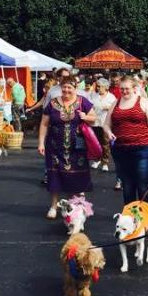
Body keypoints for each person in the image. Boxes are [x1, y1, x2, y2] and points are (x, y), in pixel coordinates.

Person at [37, 77, 96, 219]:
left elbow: (94, 118)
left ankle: (74, 206)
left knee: (76, 175)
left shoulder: (83, 102)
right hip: (55, 146)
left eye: (69, 87)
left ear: (75, 88)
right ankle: (53, 206)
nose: (66, 90)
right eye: (64, 87)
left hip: (77, 147)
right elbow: (44, 124)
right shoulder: (52, 103)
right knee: (55, 175)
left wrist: (85, 116)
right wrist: (41, 143)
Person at [103, 75, 148, 205]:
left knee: (143, 183)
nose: (124, 91)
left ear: (134, 88)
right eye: (122, 89)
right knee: (127, 185)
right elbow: (106, 124)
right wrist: (108, 132)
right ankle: (129, 219)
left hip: (143, 148)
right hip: (121, 149)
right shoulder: (115, 103)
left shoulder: (142, 102)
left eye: (127, 89)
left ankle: (145, 220)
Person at [89, 78, 116, 172]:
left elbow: (115, 108)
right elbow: (89, 106)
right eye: (98, 86)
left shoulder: (111, 97)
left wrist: (108, 107)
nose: (98, 88)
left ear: (106, 87)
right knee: (95, 143)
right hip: (95, 123)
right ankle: (97, 160)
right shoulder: (93, 95)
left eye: (100, 86)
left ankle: (105, 162)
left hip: (106, 123)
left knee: (105, 143)